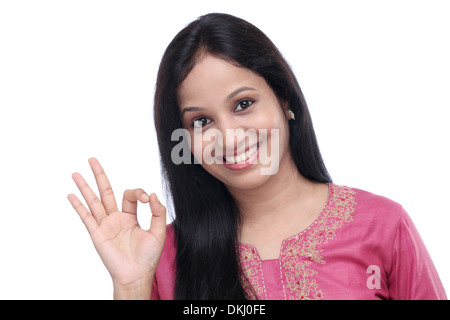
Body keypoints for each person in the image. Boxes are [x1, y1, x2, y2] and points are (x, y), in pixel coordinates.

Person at [67, 13, 446, 300]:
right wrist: (132, 285)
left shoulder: (382, 226)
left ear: (284, 99)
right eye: (201, 121)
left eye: (244, 104)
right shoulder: (162, 257)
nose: (229, 136)